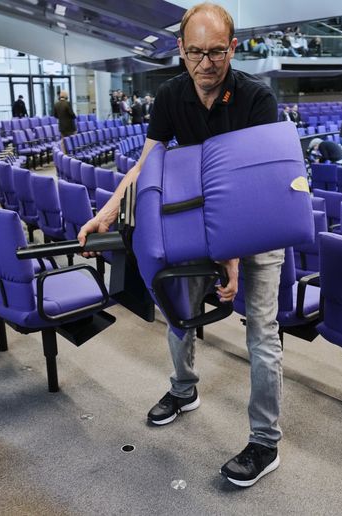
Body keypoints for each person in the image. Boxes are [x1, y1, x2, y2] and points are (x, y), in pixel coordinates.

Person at [76, 2, 283, 488]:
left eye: (216, 52)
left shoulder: (257, 99)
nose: (206, 64)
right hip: (198, 221)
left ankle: (265, 441)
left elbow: (250, 187)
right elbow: (147, 167)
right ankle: (183, 390)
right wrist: (105, 214)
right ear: (180, 50)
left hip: (256, 222)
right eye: (195, 52)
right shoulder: (170, 96)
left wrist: (231, 255)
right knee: (178, 311)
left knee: (262, 333)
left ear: (233, 48)